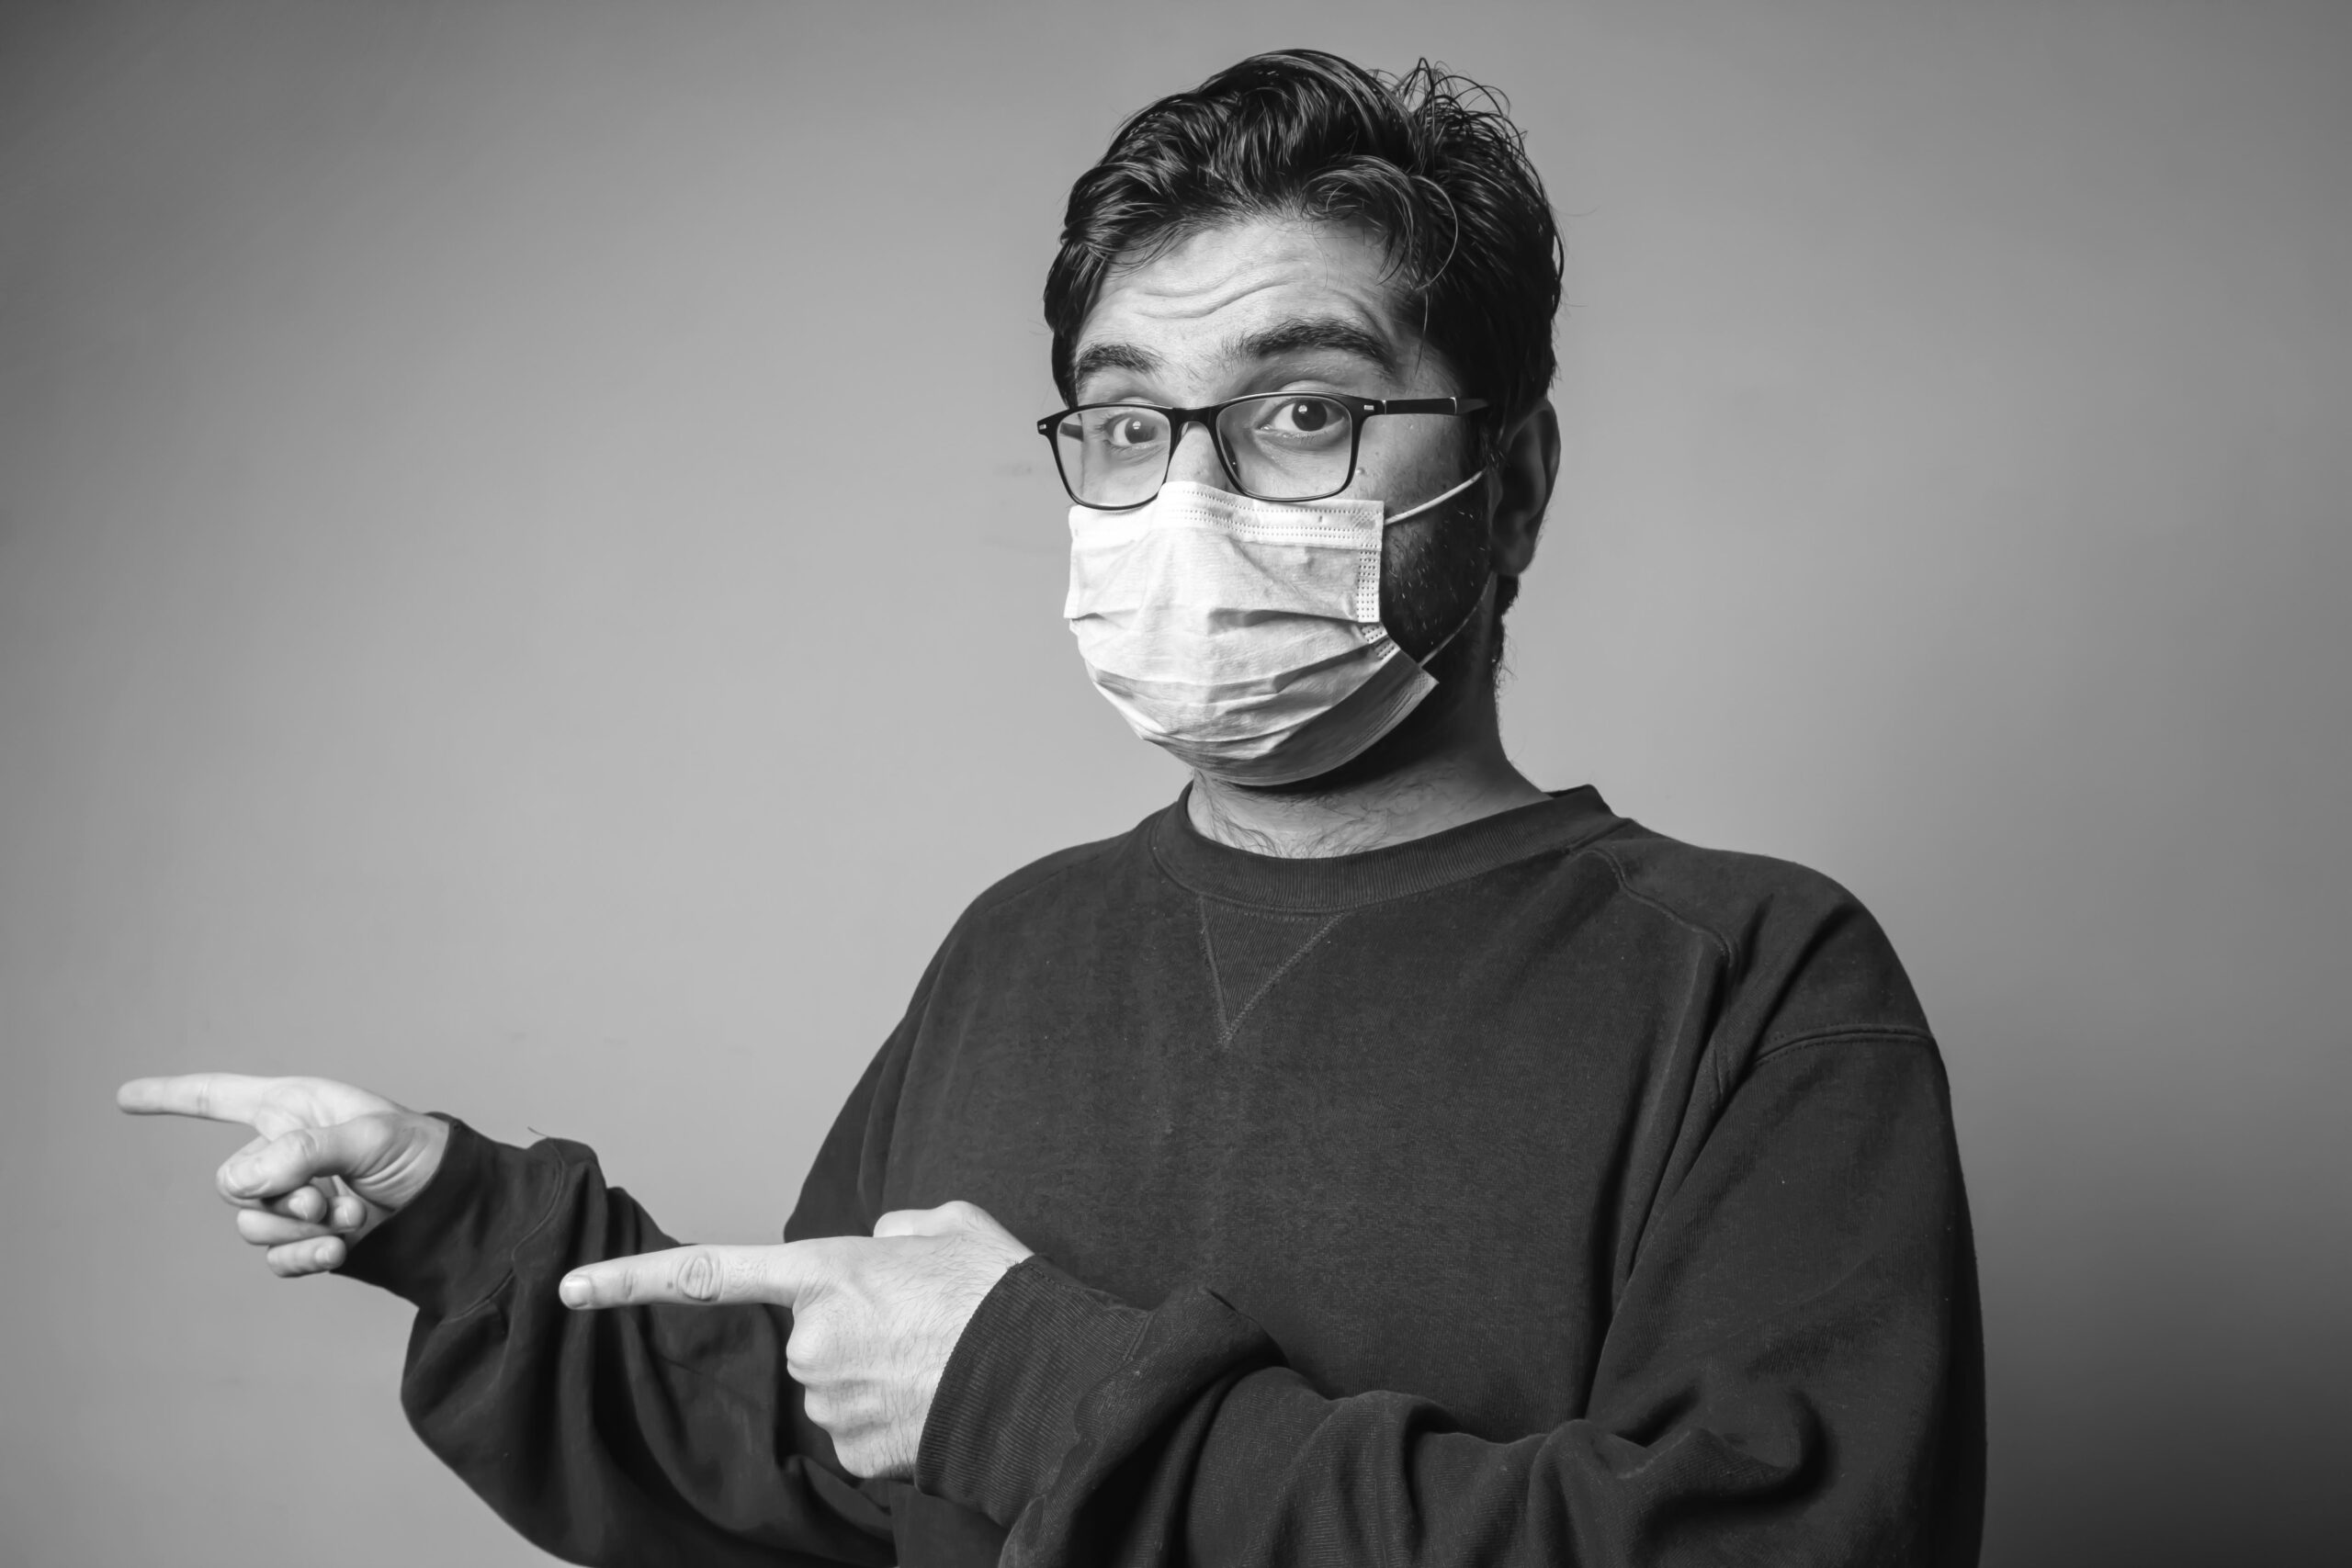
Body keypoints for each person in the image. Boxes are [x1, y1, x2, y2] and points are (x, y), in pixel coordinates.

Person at [120, 50, 1984, 1568]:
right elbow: (824, 1471)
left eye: (1303, 409)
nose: (1186, 496)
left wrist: (1033, 1382)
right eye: (1122, 421)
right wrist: (456, 1219)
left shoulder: (1747, 981)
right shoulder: (1020, 947)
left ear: (1508, 484)